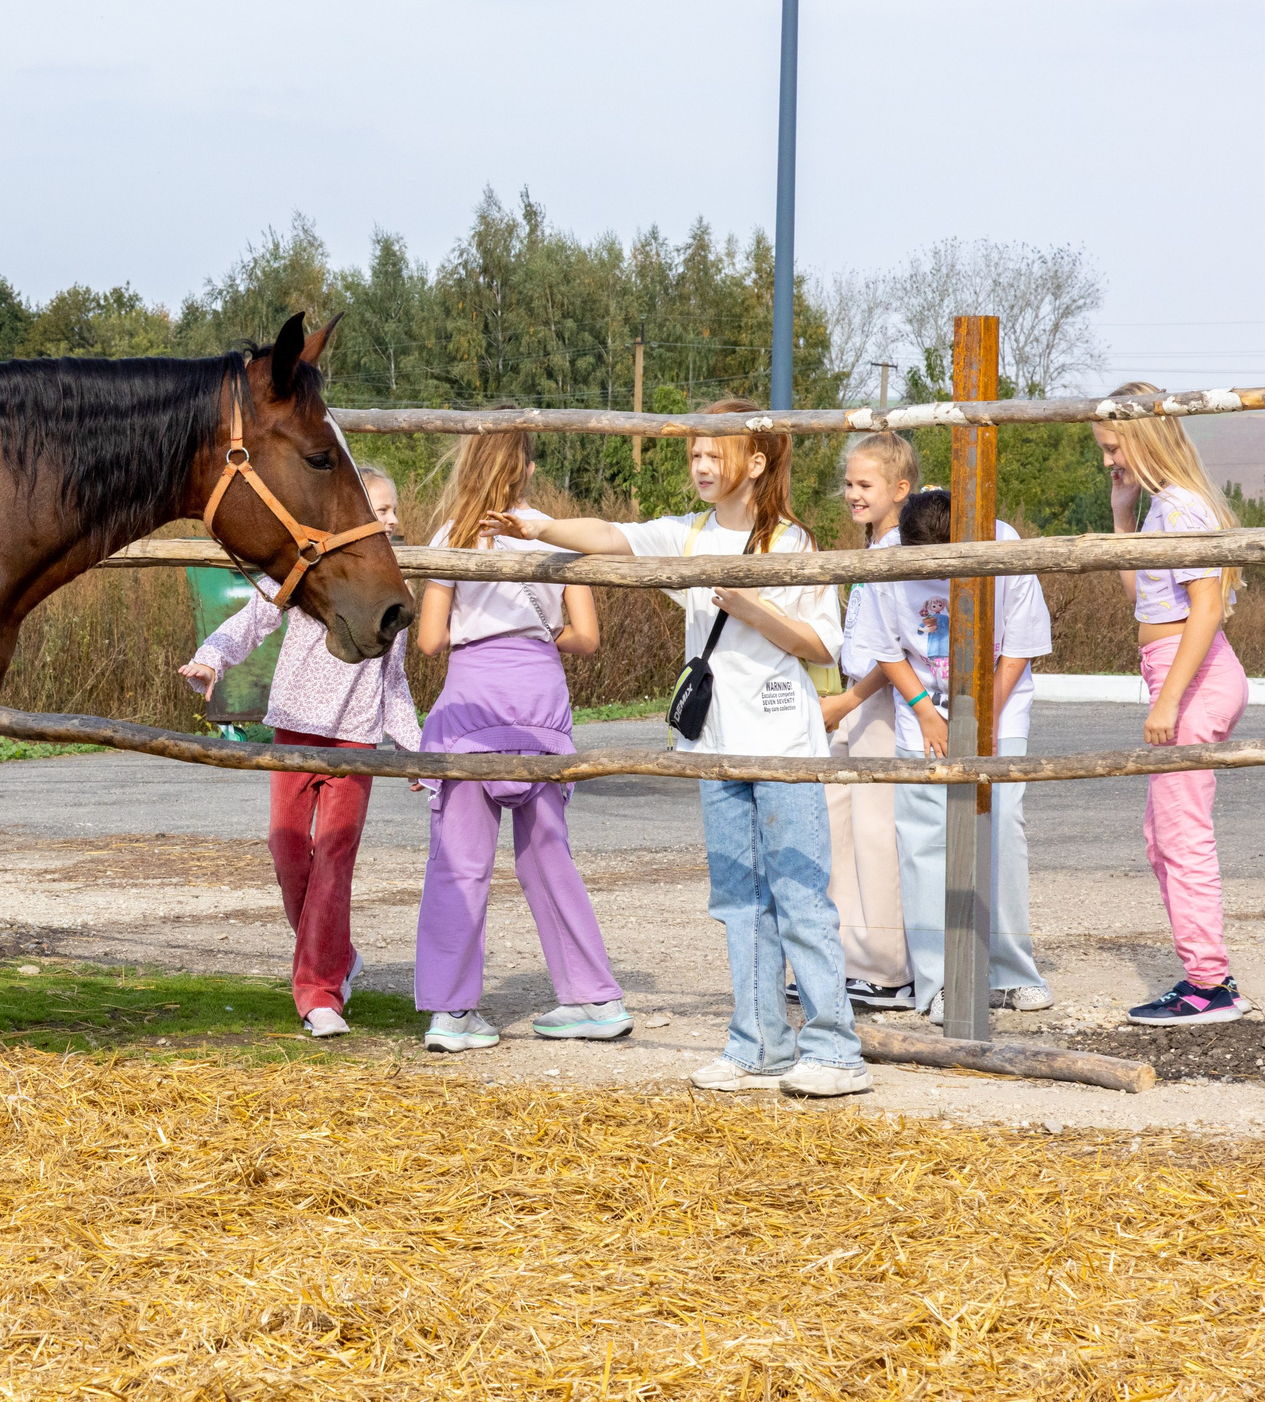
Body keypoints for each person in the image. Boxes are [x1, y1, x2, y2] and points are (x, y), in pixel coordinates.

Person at [498, 398, 868, 1099]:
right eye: (693, 453)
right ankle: (758, 1044)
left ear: (756, 461)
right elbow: (611, 535)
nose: (700, 465)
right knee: (737, 898)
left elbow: (824, 644)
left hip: (784, 740)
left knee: (799, 894)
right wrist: (541, 524)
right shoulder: (688, 534)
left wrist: (751, 606)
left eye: (713, 453)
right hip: (714, 741)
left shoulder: (794, 546)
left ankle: (834, 1048)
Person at [179, 465, 422, 1039]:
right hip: (295, 732)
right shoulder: (305, 570)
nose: (391, 520)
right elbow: (251, 620)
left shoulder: (393, 590)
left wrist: (414, 750)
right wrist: (212, 656)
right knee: (289, 853)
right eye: (380, 510)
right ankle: (339, 957)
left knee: (334, 861)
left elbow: (396, 679)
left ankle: (320, 996)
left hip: (356, 740)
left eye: (392, 511)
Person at [409, 430, 628, 1053]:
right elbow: (585, 636)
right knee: (547, 858)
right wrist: (531, 638)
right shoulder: (555, 535)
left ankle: (452, 1014)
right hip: (539, 702)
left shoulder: (450, 534)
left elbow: (429, 641)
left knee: (460, 864)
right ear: (528, 468)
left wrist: (482, 633)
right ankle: (593, 998)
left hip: (472, 704)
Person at [1090, 384, 1252, 1025]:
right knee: (1164, 835)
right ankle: (1205, 974)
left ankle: (1209, 986)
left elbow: (1206, 609)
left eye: (1112, 448)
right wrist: (1121, 514)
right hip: (1179, 672)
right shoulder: (1162, 508)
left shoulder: (1183, 508)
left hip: (1191, 676)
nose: (1108, 460)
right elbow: (1145, 599)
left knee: (1181, 836)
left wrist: (1170, 700)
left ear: (1144, 437)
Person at [859, 488, 1053, 1021]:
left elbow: (1022, 641)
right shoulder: (886, 560)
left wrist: (982, 719)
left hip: (999, 704)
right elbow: (885, 647)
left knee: (1001, 825)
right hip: (920, 710)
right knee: (922, 837)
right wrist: (925, 711)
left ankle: (1009, 971)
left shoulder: (1003, 543)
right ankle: (938, 981)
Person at [815, 433, 916, 1009]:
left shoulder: (900, 549)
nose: (852, 494)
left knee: (877, 829)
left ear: (900, 489)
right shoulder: (872, 546)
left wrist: (850, 701)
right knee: (840, 828)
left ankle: (887, 967)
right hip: (854, 694)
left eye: (865, 485)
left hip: (878, 701)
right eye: (849, 484)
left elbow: (892, 647)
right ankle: (848, 953)